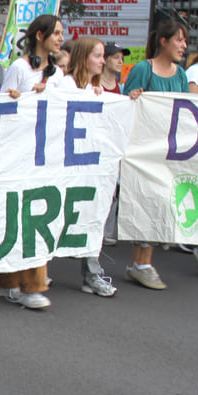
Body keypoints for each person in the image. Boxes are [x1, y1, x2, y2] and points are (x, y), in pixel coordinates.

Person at [0, 14, 69, 309]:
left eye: (62, 33)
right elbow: (0, 104)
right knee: (22, 211)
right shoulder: (20, 68)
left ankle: (16, 280)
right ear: (39, 35)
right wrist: (24, 95)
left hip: (45, 150)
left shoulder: (57, 74)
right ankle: (22, 283)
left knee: (36, 210)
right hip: (19, 150)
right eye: (56, 33)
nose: (60, 38)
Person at [121, 19, 191, 290]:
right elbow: (126, 105)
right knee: (145, 201)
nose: (183, 46)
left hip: (167, 150)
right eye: (179, 39)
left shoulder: (180, 75)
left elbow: (186, 110)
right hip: (142, 150)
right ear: (163, 41)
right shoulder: (142, 69)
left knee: (159, 202)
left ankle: (142, 262)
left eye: (185, 41)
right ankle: (141, 263)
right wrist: (135, 97)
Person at [62, 37, 118, 297]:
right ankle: (31, 277)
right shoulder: (64, 85)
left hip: (89, 166)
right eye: (97, 56)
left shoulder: (96, 90)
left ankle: (91, 274)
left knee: (92, 216)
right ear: (84, 58)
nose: (103, 61)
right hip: (63, 167)